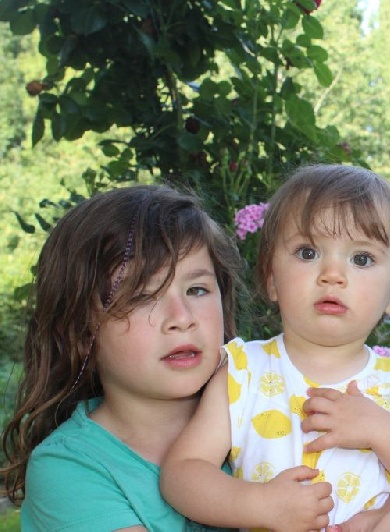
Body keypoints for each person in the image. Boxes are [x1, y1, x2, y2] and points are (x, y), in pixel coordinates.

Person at [160, 164, 390, 531]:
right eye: (308, 253)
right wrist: (258, 504)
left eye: (362, 259)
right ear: (272, 278)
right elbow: (182, 474)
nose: (332, 275)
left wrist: (382, 430)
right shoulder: (243, 372)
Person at [0, 185, 243, 530]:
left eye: (196, 290)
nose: (182, 317)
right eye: (142, 297)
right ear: (81, 330)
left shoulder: (267, 409)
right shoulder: (69, 468)